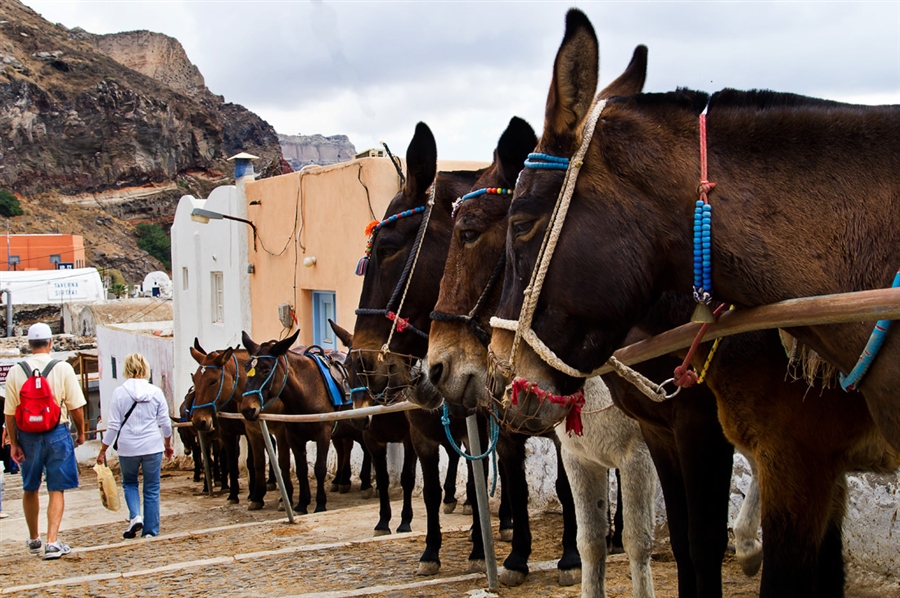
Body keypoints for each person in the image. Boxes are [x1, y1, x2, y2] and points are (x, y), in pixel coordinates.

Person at [3, 323, 86, 559]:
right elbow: (76, 408)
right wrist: (79, 433)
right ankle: (52, 542)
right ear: (50, 343)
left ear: (29, 345)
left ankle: (33, 538)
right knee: (56, 488)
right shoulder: (62, 368)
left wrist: (14, 442)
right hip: (57, 432)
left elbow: (10, 413)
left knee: (30, 487)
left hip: (27, 435)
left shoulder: (16, 371)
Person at [97, 353, 173, 539]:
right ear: (145, 369)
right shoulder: (155, 392)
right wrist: (168, 443)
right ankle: (150, 531)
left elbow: (114, 425)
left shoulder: (119, 393)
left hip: (127, 447)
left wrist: (103, 450)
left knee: (130, 483)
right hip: (152, 446)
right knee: (152, 487)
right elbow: (165, 422)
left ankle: (135, 516)